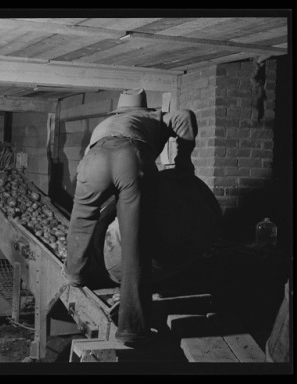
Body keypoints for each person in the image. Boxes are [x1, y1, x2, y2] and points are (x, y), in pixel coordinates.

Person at [63, 88, 198, 346]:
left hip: (94, 160)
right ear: (144, 109)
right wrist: (184, 163)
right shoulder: (155, 118)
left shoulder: (106, 123)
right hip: (131, 160)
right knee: (135, 245)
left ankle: (75, 274)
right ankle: (131, 329)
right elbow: (185, 116)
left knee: (80, 220)